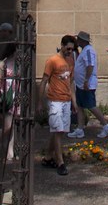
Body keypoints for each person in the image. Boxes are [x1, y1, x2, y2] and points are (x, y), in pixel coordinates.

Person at [39, 35, 77, 176]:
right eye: (68, 48)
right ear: (62, 45)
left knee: (59, 131)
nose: (70, 51)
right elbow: (44, 81)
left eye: (72, 49)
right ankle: (60, 162)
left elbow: (70, 83)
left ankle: (48, 157)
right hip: (55, 100)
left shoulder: (71, 61)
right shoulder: (52, 61)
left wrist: (74, 102)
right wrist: (40, 103)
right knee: (58, 129)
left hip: (66, 100)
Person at [67, 31, 108, 139]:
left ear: (82, 41)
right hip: (81, 84)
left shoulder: (88, 51)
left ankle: (106, 126)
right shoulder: (84, 50)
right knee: (80, 106)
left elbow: (90, 66)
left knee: (91, 106)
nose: (77, 41)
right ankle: (80, 129)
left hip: (86, 84)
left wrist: (86, 80)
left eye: (79, 39)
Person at [0, 42, 19, 163]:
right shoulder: (3, 63)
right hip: (6, 94)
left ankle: (10, 152)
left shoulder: (19, 63)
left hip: (16, 94)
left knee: (13, 125)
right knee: (8, 125)